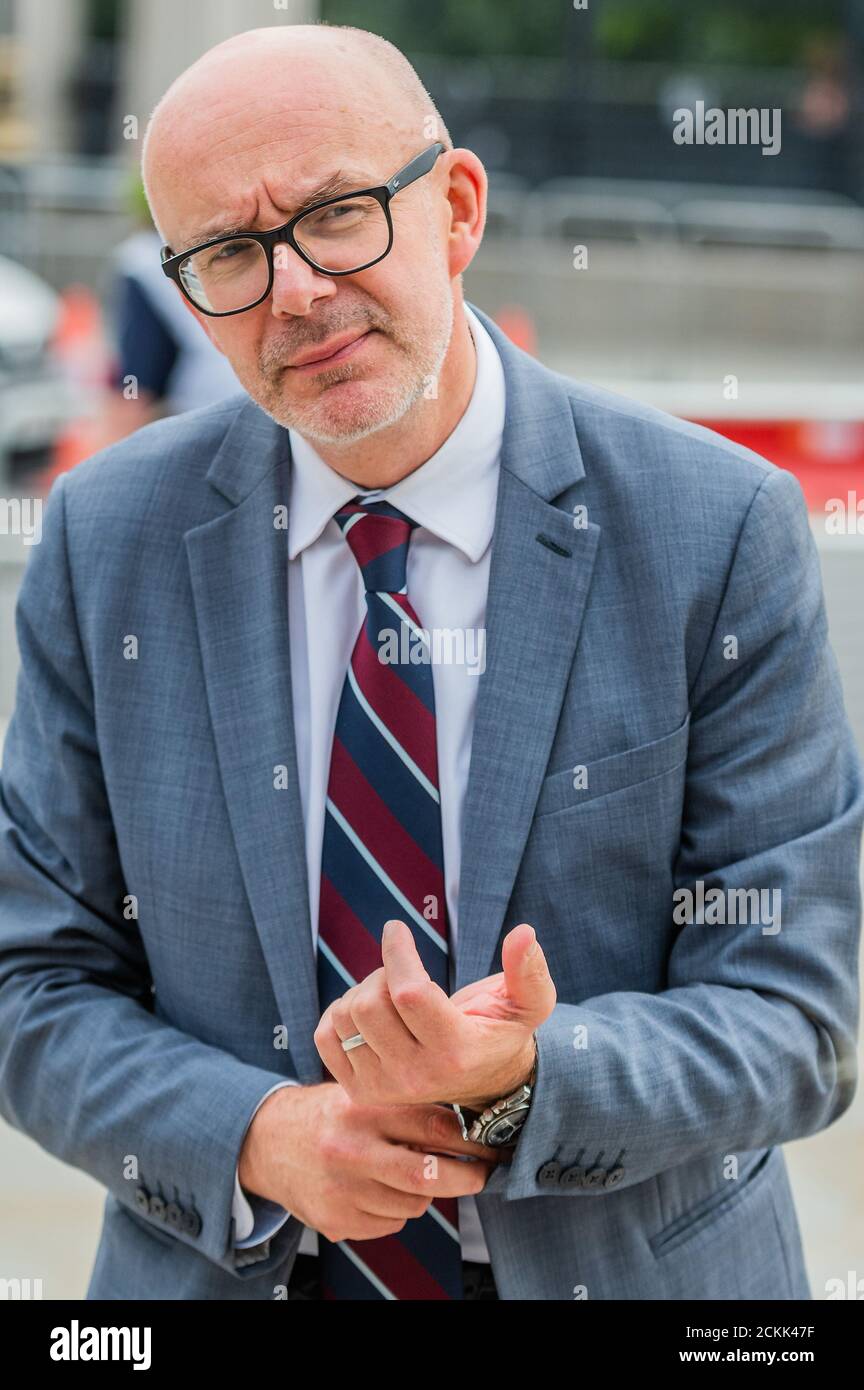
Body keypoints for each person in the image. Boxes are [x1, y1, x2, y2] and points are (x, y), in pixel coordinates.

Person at [0, 23, 861, 1302]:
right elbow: (34, 974)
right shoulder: (102, 538)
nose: (293, 289)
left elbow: (798, 1011)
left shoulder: (716, 526)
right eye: (231, 250)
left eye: (337, 214)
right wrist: (253, 1138)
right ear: (186, 297)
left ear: (454, 208)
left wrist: (519, 1090)